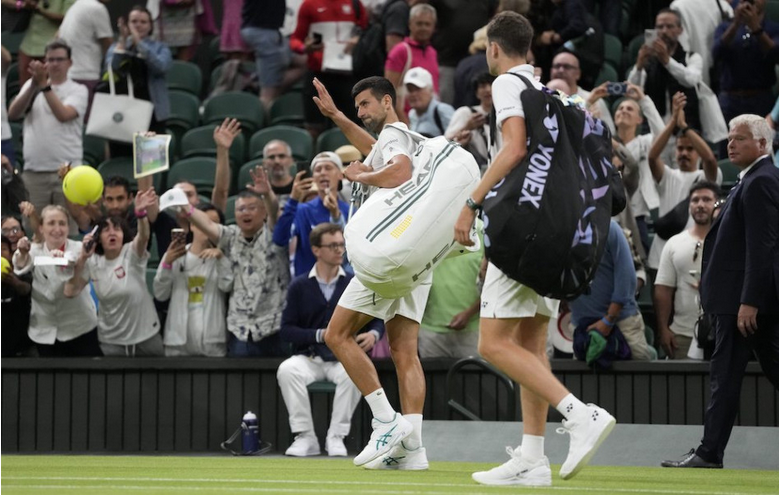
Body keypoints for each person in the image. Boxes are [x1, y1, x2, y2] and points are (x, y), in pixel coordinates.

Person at [453, 12, 615, 486]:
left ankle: (579, 416)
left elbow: (513, 148)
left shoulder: (507, 84)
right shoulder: (555, 92)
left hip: (524, 231)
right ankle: (532, 458)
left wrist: (470, 202)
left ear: (495, 50)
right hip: (559, 232)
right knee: (530, 347)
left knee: (492, 343)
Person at [310, 75, 432, 470]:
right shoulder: (397, 137)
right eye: (357, 107)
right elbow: (377, 150)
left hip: (386, 256)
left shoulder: (395, 137)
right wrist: (336, 115)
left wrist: (360, 175)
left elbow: (399, 172)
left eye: (365, 105)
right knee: (403, 352)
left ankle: (385, 420)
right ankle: (413, 450)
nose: (361, 113)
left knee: (336, 334)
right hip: (415, 254)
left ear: (386, 101)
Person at [662, 114, 778, 469]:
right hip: (739, 301)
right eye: (729, 138)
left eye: (739, 139)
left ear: (762, 144)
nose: (730, 144)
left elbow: (763, 246)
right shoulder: (752, 180)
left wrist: (749, 301)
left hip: (741, 304)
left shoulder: (760, 182)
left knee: (724, 377)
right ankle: (709, 451)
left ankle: (709, 452)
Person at [278, 223, 384, 457]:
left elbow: (377, 318)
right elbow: (286, 330)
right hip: (310, 357)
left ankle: (337, 436)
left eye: (341, 245)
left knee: (355, 372)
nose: (339, 250)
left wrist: (374, 334)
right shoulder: (300, 285)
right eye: (333, 245)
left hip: (343, 358)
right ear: (316, 250)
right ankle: (305, 437)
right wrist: (319, 335)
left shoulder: (355, 282)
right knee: (287, 370)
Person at [183, 170, 290, 358]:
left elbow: (274, 212)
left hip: (273, 325)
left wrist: (267, 193)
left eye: (251, 208)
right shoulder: (230, 236)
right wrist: (185, 207)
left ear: (263, 212)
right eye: (240, 209)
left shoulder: (273, 234)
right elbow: (207, 225)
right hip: (240, 329)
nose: (245, 213)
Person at [64, 189, 163, 357]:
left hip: (147, 337)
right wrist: (82, 258)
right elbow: (70, 291)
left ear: (123, 235)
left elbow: (143, 236)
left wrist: (140, 214)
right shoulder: (93, 261)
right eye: (106, 230)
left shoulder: (131, 253)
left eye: (116, 229)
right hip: (112, 341)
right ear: (98, 238)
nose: (111, 233)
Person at [7, 39, 88, 217]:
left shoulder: (78, 90)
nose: (54, 64)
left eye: (59, 59)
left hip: (67, 171)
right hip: (33, 171)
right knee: (33, 228)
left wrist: (44, 85)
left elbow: (63, 115)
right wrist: (34, 86)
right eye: (50, 60)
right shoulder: (32, 85)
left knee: (68, 228)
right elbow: (13, 114)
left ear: (70, 63)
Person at [12, 205, 101, 357]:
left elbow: (78, 281)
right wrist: (22, 252)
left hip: (81, 327)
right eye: (51, 223)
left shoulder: (81, 249)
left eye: (62, 223)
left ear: (68, 227)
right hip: (44, 330)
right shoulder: (34, 249)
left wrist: (70, 263)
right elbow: (21, 264)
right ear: (41, 228)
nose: (57, 229)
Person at [646, 92, 720, 271]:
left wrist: (684, 127)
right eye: (680, 148)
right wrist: (673, 122)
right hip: (662, 252)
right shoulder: (668, 175)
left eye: (690, 149)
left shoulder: (706, 177)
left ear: (698, 153)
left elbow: (710, 159)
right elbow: (652, 156)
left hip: (694, 254)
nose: (684, 153)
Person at [569, 220, 656, 361]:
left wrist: (609, 319)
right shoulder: (562, 228)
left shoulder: (610, 227)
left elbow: (627, 278)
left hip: (623, 322)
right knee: (585, 381)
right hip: (582, 325)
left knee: (639, 379)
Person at [154, 203, 232, 357]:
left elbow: (227, 286)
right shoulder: (175, 256)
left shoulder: (223, 257)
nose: (207, 228)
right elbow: (160, 294)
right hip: (178, 342)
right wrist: (167, 264)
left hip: (212, 341)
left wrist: (221, 258)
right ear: (192, 226)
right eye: (202, 222)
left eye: (213, 224)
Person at [655, 181, 721, 360]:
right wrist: (663, 329)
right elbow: (663, 289)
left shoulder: (727, 242)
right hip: (681, 334)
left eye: (706, 199)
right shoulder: (674, 243)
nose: (700, 204)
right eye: (695, 200)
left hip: (720, 333)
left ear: (717, 204)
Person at [291, 0, 368, 140]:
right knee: (313, 127)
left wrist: (358, 41)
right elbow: (295, 39)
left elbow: (366, 32)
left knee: (354, 124)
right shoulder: (309, 4)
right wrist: (304, 48)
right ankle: (316, 160)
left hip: (347, 74)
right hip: (318, 75)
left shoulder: (355, 4)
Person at [273, 152, 349, 277]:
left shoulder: (351, 211)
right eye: (318, 170)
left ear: (340, 175)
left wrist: (336, 216)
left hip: (341, 285)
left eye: (328, 168)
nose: (323, 172)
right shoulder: (302, 210)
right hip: (308, 285)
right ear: (313, 177)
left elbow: (349, 253)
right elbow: (279, 239)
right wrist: (293, 199)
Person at [629, 8, 704, 130]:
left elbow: (690, 80)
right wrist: (638, 66)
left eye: (670, 26)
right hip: (653, 129)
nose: (664, 31)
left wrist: (667, 60)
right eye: (660, 27)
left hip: (685, 128)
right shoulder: (649, 61)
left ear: (680, 30)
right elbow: (631, 92)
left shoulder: (692, 57)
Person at [105, 5, 172, 137]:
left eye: (143, 22)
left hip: (153, 112)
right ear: (127, 24)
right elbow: (110, 71)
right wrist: (123, 42)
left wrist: (139, 44)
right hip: (123, 110)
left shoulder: (160, 47)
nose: (138, 25)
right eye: (134, 21)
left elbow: (161, 67)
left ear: (150, 26)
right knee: (123, 155)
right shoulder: (117, 46)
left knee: (151, 156)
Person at [713, 0, 778, 130]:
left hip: (761, 98)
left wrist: (756, 28)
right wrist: (736, 23)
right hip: (730, 99)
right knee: (728, 145)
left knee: (761, 146)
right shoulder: (725, 27)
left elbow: (775, 55)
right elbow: (716, 54)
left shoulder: (773, 28)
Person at [57, 0, 113, 119]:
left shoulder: (76, 6)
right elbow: (108, 45)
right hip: (86, 77)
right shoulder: (97, 8)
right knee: (86, 128)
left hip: (70, 76)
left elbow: (57, 36)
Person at [384, 3, 439, 121]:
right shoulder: (400, 51)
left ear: (434, 27)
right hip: (407, 122)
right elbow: (389, 91)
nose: (423, 28)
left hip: (431, 122)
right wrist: (406, 124)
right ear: (410, 25)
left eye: (427, 24)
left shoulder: (432, 52)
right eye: (419, 23)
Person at [550, 51, 615, 135]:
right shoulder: (540, 96)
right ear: (551, 70)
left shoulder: (594, 99)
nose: (561, 70)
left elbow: (610, 133)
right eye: (557, 66)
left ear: (578, 74)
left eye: (567, 67)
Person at [445, 73, 493, 172]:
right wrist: (467, 127)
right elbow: (446, 143)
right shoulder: (465, 113)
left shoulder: (505, 113)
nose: (488, 89)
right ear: (477, 93)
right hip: (475, 168)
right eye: (483, 86)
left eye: (491, 84)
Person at [17, 0, 72, 86]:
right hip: (28, 45)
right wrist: (22, 4)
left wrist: (39, 10)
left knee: (49, 86)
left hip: (52, 48)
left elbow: (67, 18)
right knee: (25, 88)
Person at [1, 234, 34, 357]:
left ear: (10, 254)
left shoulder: (22, 273)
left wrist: (14, 282)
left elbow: (26, 289)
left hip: (21, 348)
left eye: (3, 249)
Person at [404, 67, 455, 137]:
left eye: (418, 89)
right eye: (410, 90)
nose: (413, 94)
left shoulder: (442, 110)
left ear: (430, 90)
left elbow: (457, 139)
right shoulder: (412, 114)